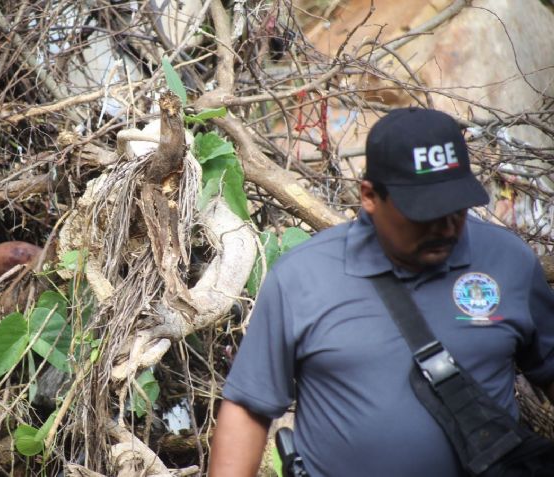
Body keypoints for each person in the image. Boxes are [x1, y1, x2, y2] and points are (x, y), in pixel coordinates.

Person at [208, 108, 554, 476]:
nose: (445, 226)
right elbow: (248, 407)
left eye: (455, 207)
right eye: (424, 212)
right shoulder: (301, 278)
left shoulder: (508, 262)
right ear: (370, 196)